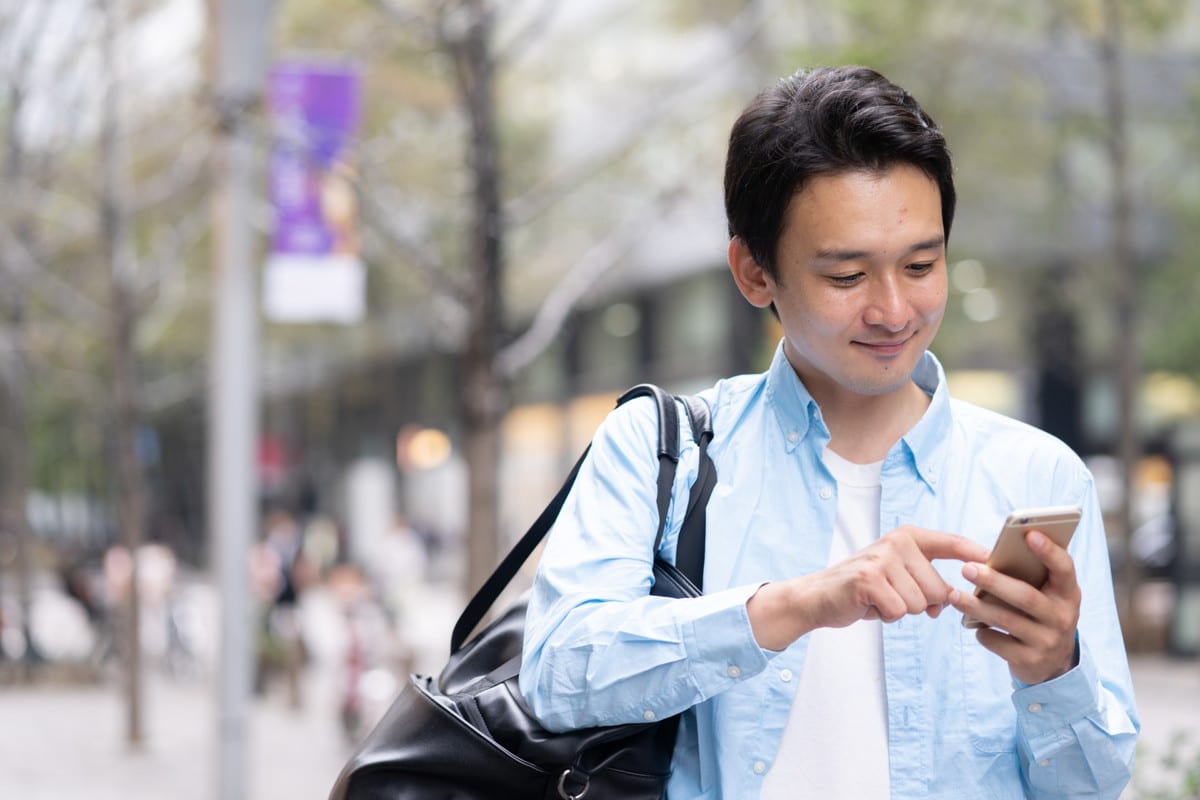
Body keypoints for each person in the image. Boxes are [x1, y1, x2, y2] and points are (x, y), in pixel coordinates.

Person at [518, 66, 1138, 800]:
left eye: (921, 264)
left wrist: (1053, 673)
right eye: (847, 276)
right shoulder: (664, 450)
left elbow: (1092, 787)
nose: (894, 309)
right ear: (754, 273)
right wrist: (797, 604)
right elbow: (558, 674)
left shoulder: (1039, 475)